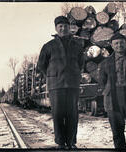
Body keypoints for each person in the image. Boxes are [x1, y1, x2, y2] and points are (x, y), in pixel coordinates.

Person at [37, 16, 84, 149]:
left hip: (72, 84)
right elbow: (41, 65)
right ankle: (60, 143)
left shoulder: (77, 45)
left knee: (72, 114)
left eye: (65, 26)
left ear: (69, 28)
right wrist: (52, 75)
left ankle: (71, 142)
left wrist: (74, 73)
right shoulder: (48, 46)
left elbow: (81, 63)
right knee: (57, 114)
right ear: (56, 28)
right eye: (60, 26)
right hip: (55, 85)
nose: (63, 28)